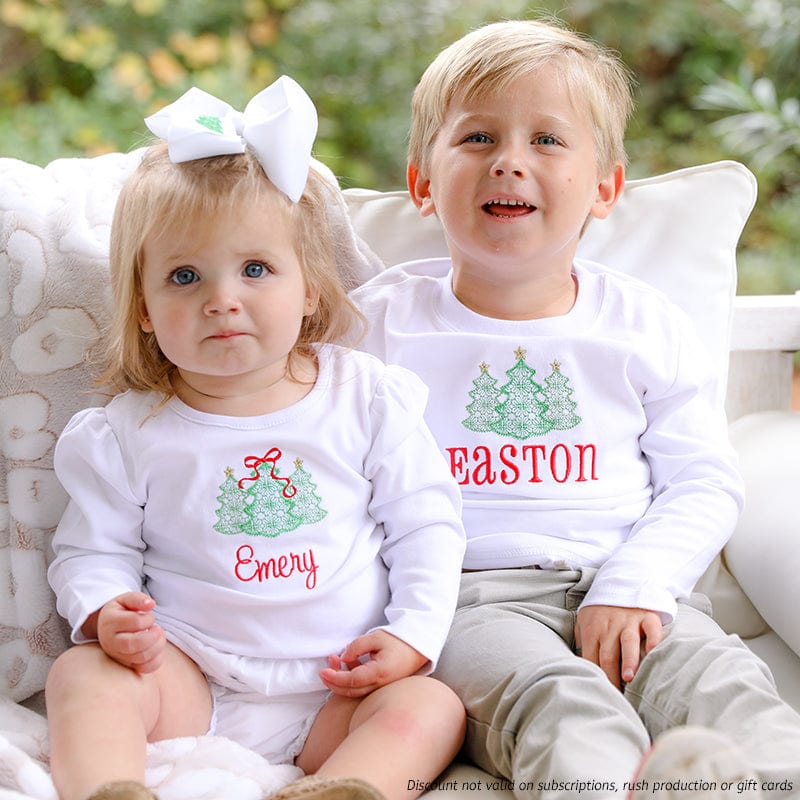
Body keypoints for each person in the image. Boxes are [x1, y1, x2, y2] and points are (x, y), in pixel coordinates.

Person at [351, 19, 800, 800]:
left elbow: (704, 480)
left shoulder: (642, 324)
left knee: (730, 687)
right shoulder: (379, 324)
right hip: (468, 604)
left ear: (605, 187)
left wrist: (637, 581)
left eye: (548, 141)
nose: (510, 162)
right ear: (423, 180)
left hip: (636, 590)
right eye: (478, 137)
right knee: (563, 705)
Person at [45, 76, 466, 800]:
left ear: (308, 289)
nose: (222, 299)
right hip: (190, 680)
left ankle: (342, 788)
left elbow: (427, 525)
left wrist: (410, 637)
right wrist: (105, 610)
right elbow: (90, 550)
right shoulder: (125, 433)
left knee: (433, 708)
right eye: (184, 276)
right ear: (143, 309)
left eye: (255, 269)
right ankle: (109, 789)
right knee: (81, 674)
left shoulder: (364, 398)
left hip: (340, 686)